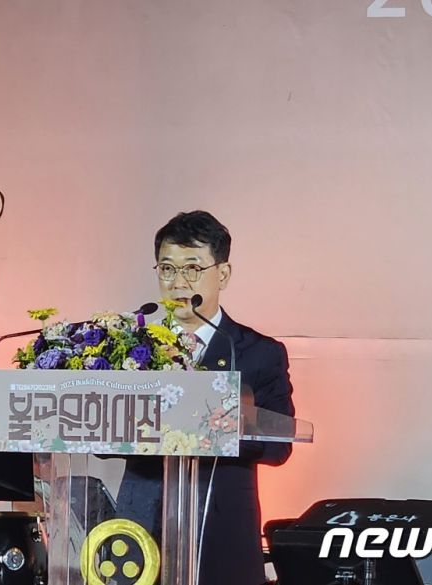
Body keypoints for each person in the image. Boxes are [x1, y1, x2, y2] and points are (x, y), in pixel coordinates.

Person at [116, 210, 295, 585]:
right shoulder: (130, 348)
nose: (178, 282)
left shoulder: (257, 352)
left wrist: (217, 430)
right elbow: (102, 436)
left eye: (193, 268)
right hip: (142, 528)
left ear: (223, 274)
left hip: (221, 530)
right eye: (167, 268)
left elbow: (280, 447)